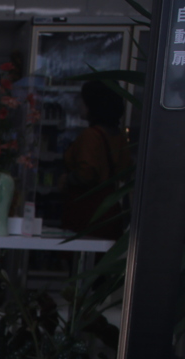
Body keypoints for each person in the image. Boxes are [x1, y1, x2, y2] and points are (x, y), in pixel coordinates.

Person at [60, 80, 131, 240]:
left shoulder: (91, 136)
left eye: (83, 100)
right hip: (111, 209)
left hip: (87, 211)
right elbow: (125, 169)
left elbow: (87, 173)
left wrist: (67, 180)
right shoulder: (119, 137)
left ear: (93, 104)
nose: (79, 105)